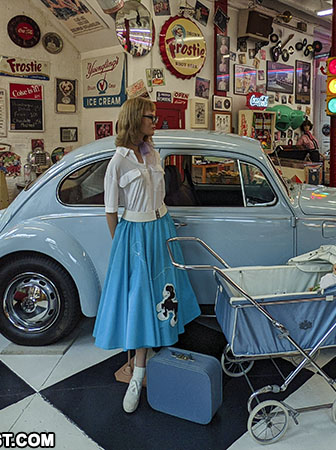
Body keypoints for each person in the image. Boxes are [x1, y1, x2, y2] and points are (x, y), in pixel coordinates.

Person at [93, 97, 200, 414]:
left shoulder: (152, 152)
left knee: (165, 292)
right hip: (136, 234)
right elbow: (111, 211)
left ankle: (158, 353)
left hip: (162, 227)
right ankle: (138, 371)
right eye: (150, 117)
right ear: (134, 120)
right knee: (141, 298)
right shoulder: (118, 161)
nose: (155, 121)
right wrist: (122, 247)